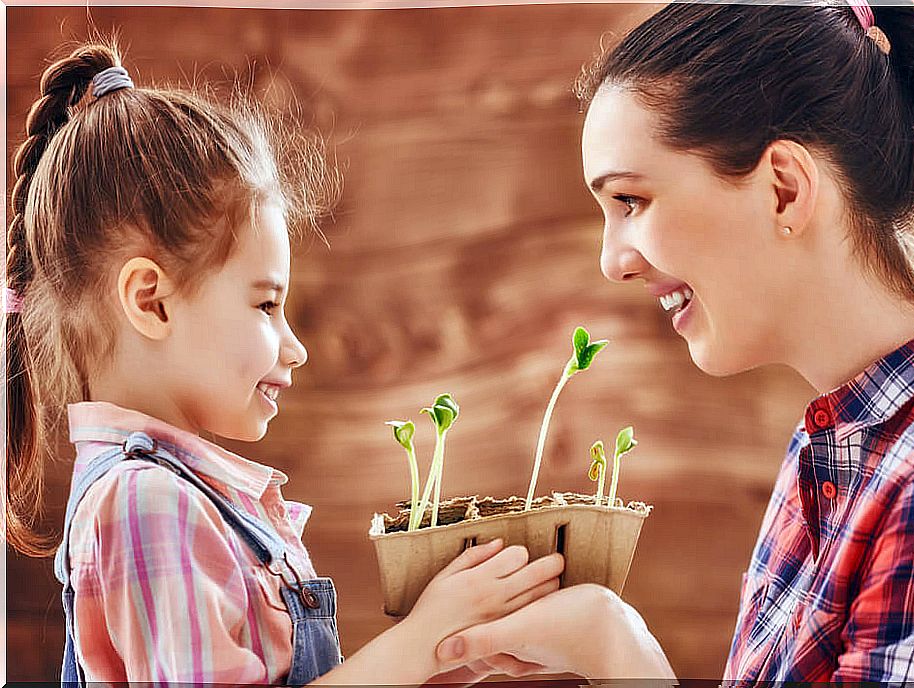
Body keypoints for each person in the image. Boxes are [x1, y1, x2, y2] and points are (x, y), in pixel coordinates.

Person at [433, 0, 914, 682]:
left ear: (782, 190)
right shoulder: (832, 447)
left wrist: (619, 656)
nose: (613, 261)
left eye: (631, 201)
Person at [3, 42, 570, 685]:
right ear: (151, 302)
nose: (294, 346)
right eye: (267, 304)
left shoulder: (173, 500)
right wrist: (421, 640)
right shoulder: (145, 504)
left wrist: (445, 656)